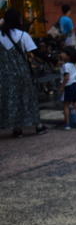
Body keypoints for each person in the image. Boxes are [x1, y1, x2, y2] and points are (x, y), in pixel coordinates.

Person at [0, 8, 47, 137]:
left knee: (11, 99)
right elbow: (36, 52)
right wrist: (51, 60)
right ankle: (38, 125)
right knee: (28, 98)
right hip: (21, 72)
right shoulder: (22, 35)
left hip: (4, 74)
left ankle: (16, 128)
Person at [59, 46, 76, 130]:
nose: (61, 54)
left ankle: (67, 123)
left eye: (63, 53)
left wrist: (62, 86)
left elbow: (66, 76)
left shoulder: (65, 66)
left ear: (68, 56)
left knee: (66, 105)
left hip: (68, 86)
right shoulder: (73, 65)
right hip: (74, 85)